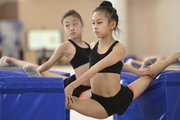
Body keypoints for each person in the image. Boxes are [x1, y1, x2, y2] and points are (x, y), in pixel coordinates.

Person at [0, 10, 154, 98]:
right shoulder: (65, 46)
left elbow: (115, 64)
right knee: (42, 71)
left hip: (81, 81)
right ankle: (13, 60)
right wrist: (37, 74)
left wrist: (138, 72)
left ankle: (136, 64)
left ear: (82, 25)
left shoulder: (91, 45)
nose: (71, 28)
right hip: (78, 86)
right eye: (67, 26)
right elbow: (47, 65)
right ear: (64, 29)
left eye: (75, 24)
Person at [64, 1, 180, 119]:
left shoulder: (119, 48)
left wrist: (72, 86)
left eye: (99, 22)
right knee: (65, 102)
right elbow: (119, 64)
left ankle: (172, 58)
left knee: (148, 76)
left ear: (112, 24)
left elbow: (97, 67)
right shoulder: (93, 45)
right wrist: (137, 72)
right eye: (93, 23)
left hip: (117, 99)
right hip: (96, 101)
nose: (95, 26)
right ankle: (141, 66)